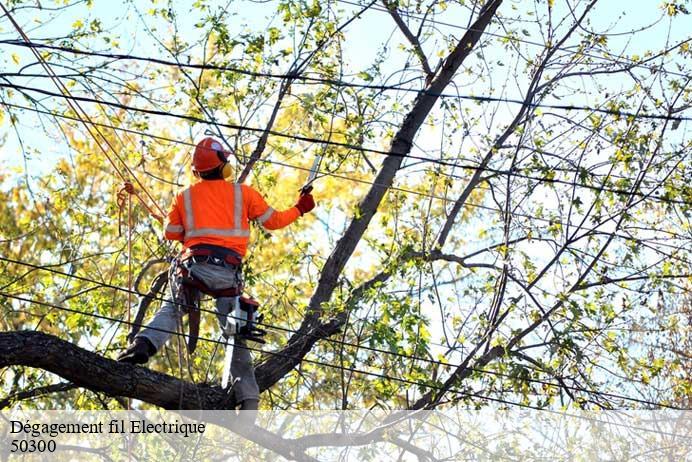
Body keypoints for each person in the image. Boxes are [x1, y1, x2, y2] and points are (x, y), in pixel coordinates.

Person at [117, 137, 315, 411]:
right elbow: (274, 221)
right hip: (227, 273)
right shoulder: (243, 194)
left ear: (196, 171)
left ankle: (143, 344)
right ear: (224, 167)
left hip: (192, 269)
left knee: (173, 309)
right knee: (234, 334)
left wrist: (184, 224)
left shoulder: (184, 196)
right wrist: (300, 208)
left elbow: (171, 233)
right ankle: (249, 399)